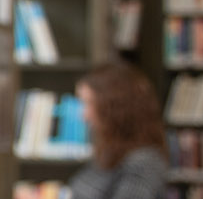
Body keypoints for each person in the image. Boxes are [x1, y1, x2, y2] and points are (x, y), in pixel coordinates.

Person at [18, 62, 168, 199]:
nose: (84, 115)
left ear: (115, 108)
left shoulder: (144, 162)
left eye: (89, 103)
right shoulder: (109, 153)